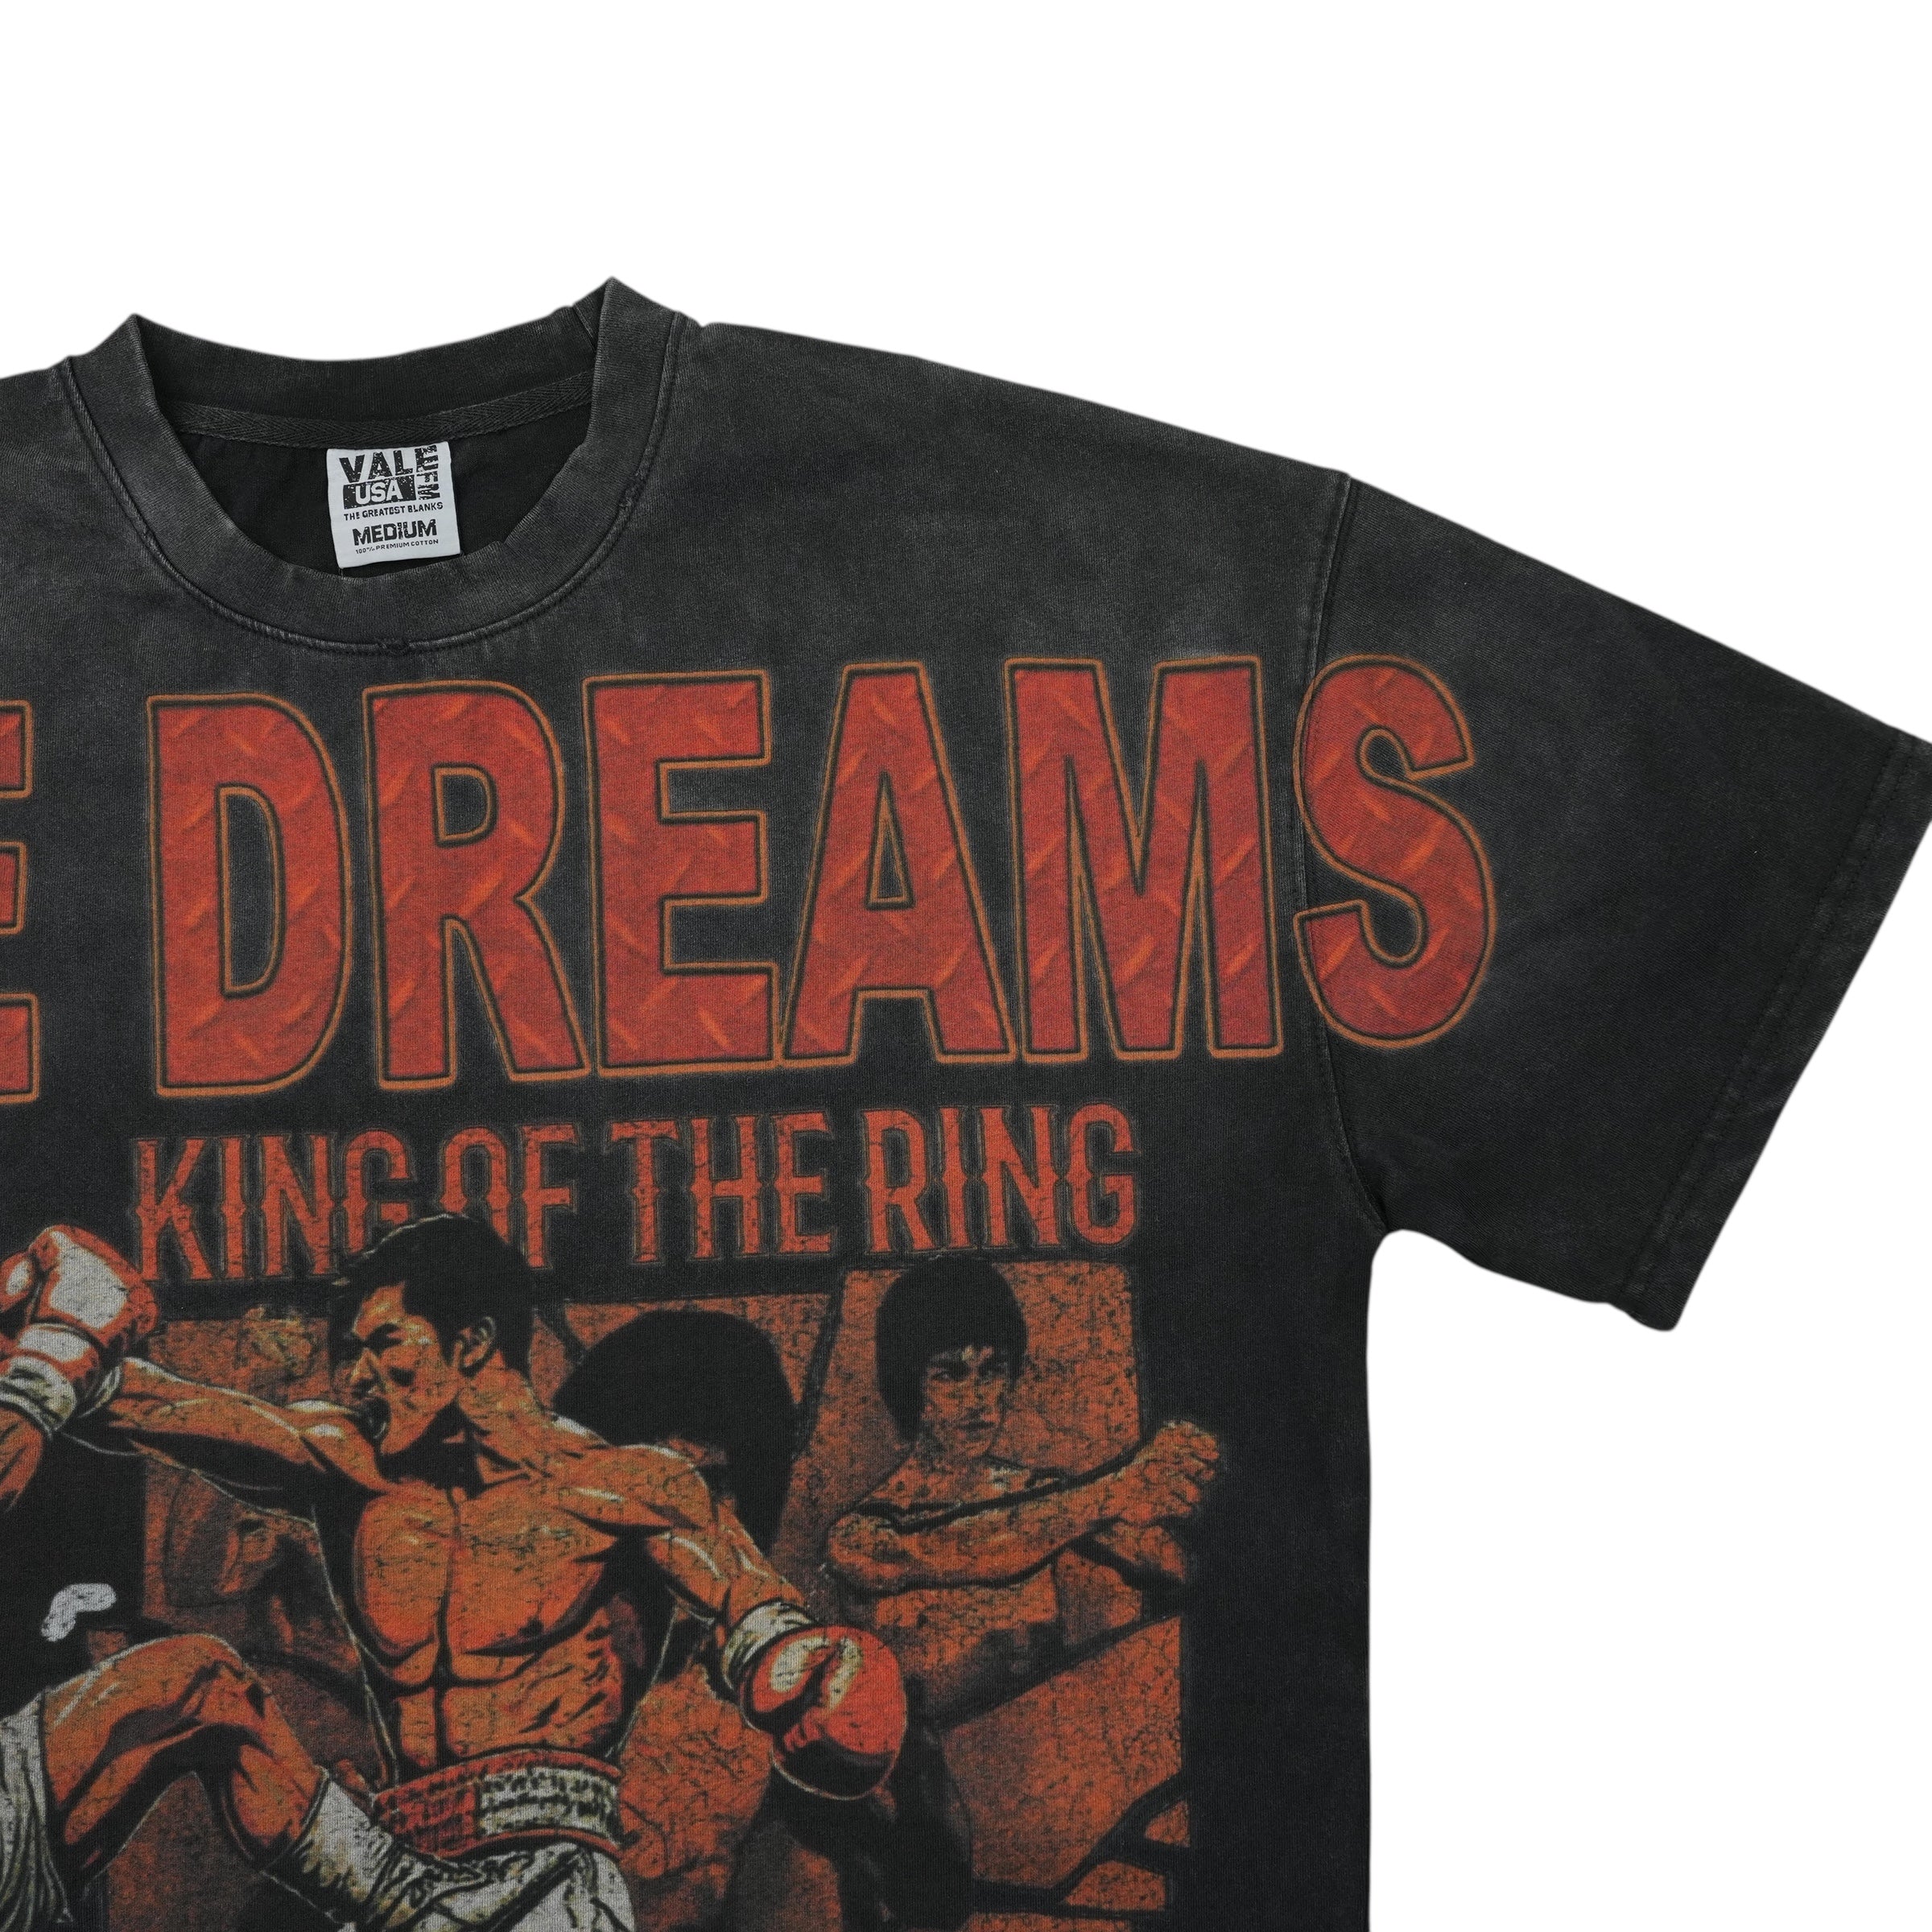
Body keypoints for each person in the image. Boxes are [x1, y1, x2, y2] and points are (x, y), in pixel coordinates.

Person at [0, 1219, 907, 1932]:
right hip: (391, 1868)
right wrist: (56, 1348)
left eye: (384, 1344)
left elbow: (758, 1615)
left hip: (546, 1880)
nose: (358, 1377)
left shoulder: (628, 1488)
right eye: (353, 1353)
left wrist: (805, 1666)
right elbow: (162, 1407)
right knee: (194, 1688)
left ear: (471, 1343)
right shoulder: (354, 1468)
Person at [555, 1311, 971, 1932]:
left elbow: (926, 1895)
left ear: (751, 1494)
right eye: (647, 1490)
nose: (675, 1522)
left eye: (708, 1488)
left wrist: (905, 1784)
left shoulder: (776, 1689)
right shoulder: (494, 1662)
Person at [825, 1256, 1220, 1725]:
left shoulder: (1046, 1500)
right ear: (910, 1384)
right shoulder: (860, 1536)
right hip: (924, 1765)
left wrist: (1169, 1482)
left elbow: (1175, 1568)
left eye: (992, 1370)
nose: (977, 1399)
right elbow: (973, 1546)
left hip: (1046, 1749)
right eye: (949, 1374)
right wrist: (1114, 1493)